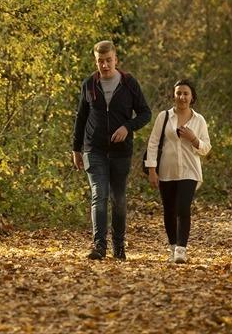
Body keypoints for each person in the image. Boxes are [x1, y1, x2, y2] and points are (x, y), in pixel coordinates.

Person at [71, 40, 152, 260]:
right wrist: (76, 148)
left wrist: (127, 127)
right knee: (99, 195)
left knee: (118, 199)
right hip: (94, 149)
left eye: (108, 60)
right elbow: (81, 117)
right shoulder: (89, 84)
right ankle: (99, 246)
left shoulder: (128, 83)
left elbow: (145, 113)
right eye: (100, 61)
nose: (105, 65)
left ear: (116, 59)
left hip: (120, 152)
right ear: (95, 62)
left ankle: (119, 246)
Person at [145, 79, 211, 264]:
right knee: (169, 210)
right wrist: (152, 170)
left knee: (183, 207)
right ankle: (173, 247)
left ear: (192, 97)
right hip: (167, 171)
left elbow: (206, 148)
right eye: (179, 93)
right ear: (173, 96)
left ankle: (181, 250)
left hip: (190, 170)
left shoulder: (199, 120)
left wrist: (194, 139)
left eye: (186, 94)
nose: (182, 97)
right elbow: (153, 143)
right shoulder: (164, 117)